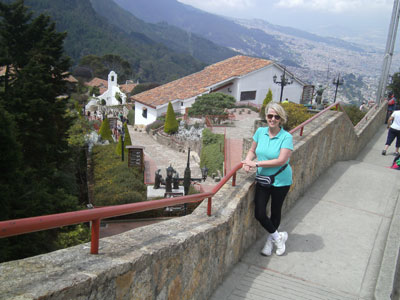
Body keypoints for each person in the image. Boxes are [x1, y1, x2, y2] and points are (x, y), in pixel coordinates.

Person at [242, 102, 293, 256]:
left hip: (281, 180)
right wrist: (247, 161)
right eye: (270, 116)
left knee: (275, 212)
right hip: (264, 179)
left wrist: (256, 163)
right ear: (266, 116)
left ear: (281, 119)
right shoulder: (260, 132)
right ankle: (279, 237)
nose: (273, 119)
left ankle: (270, 243)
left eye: (276, 117)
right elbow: (252, 150)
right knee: (259, 213)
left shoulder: (286, 137)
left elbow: (280, 160)